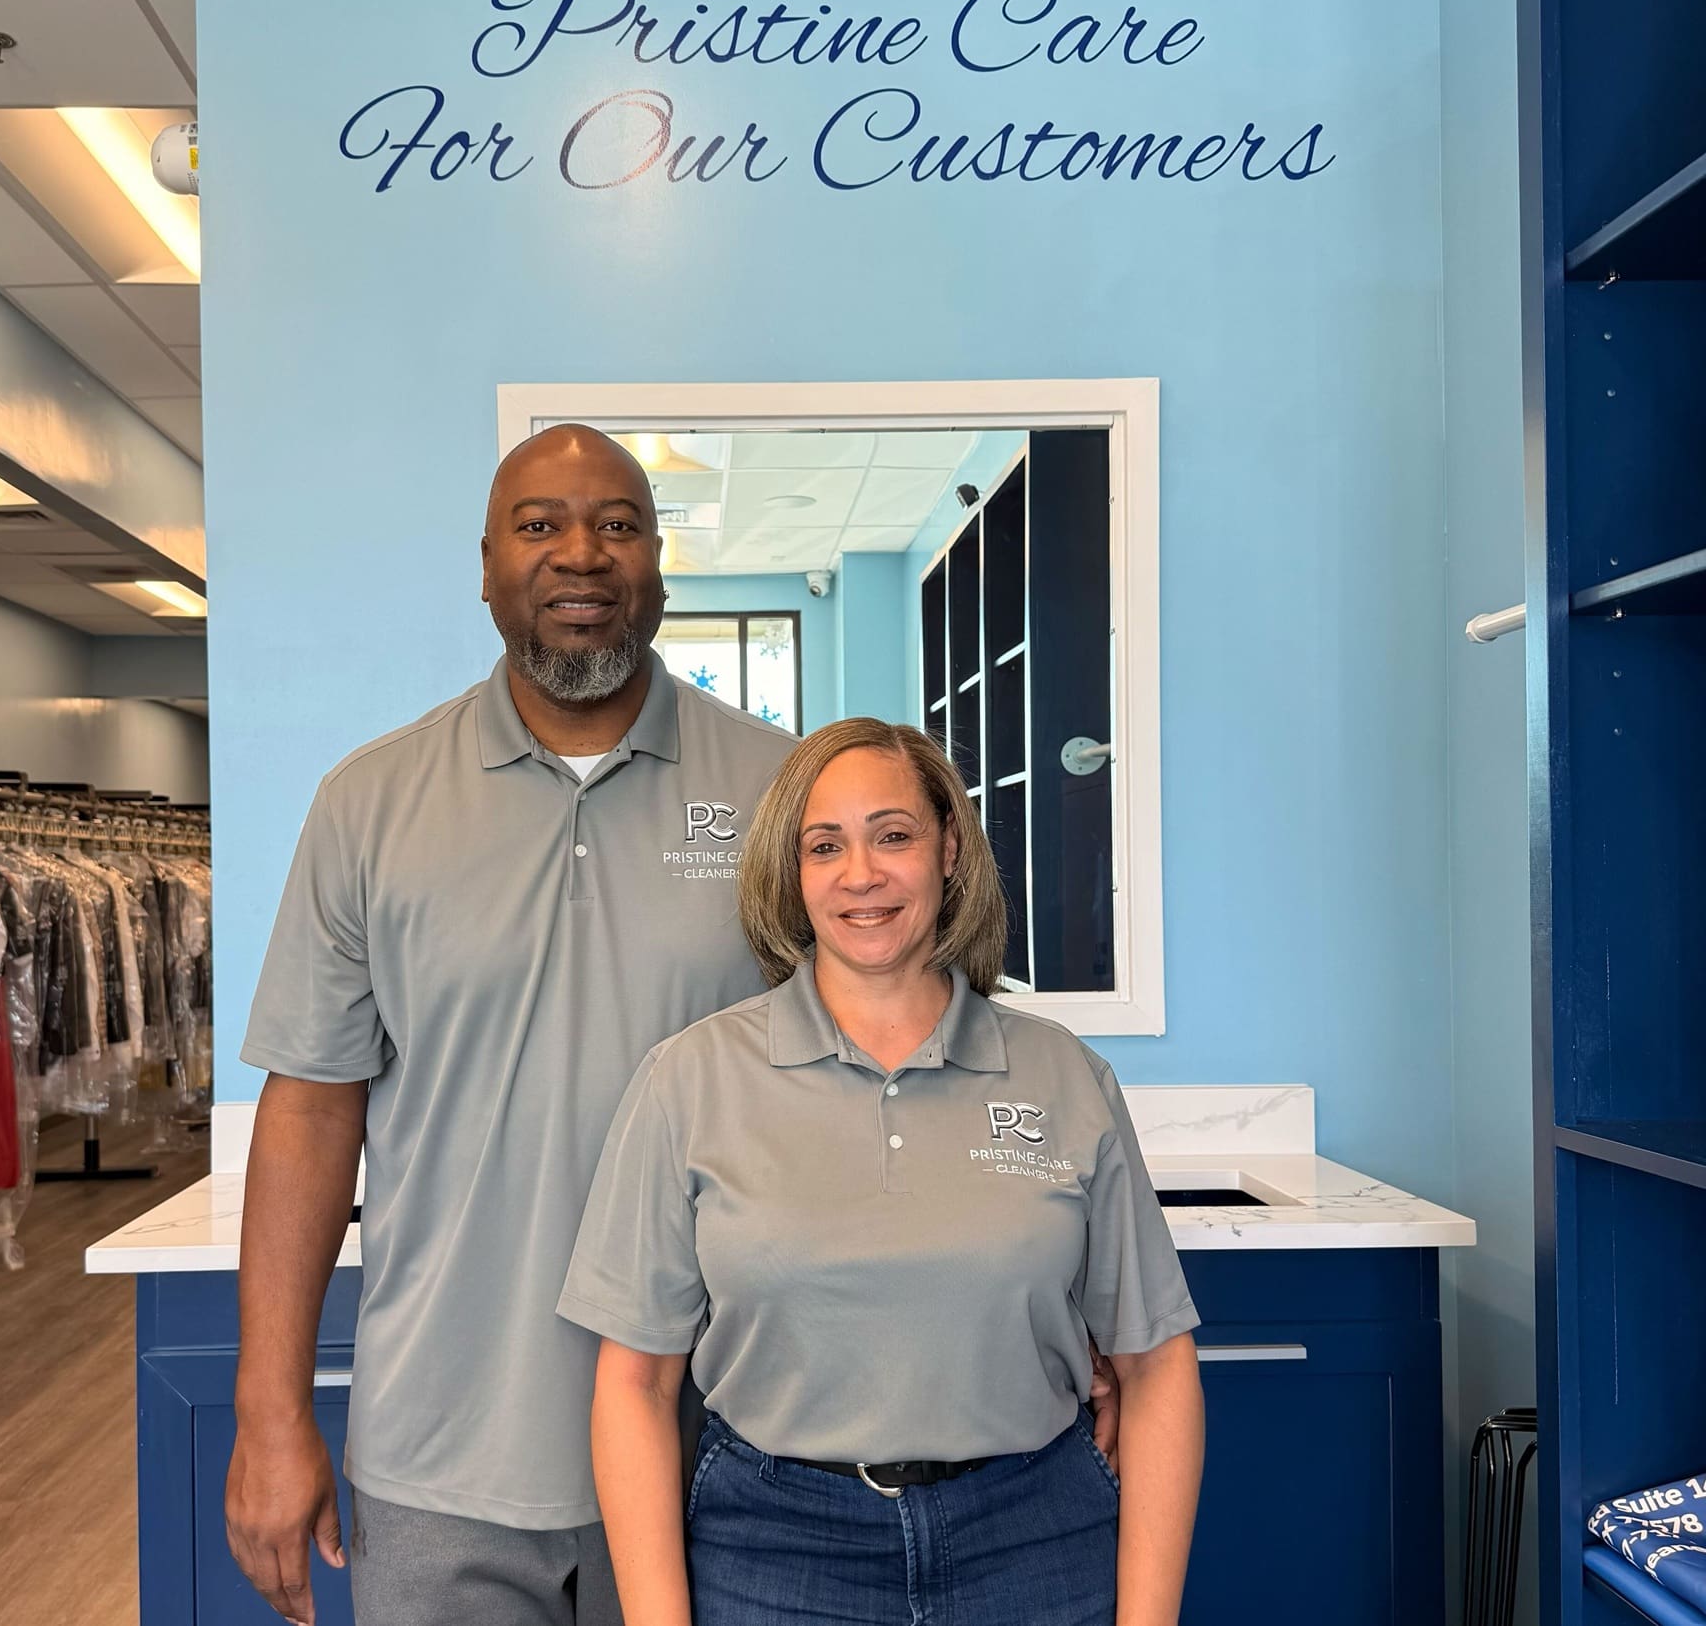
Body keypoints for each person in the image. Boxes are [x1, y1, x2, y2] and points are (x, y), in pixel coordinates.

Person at [223, 426, 799, 1626]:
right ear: (486, 565)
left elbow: (872, 1081)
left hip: (731, 1443)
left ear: (659, 565)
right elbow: (312, 1112)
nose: (581, 554)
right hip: (441, 1456)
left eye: (619, 524)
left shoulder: (780, 796)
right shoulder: (371, 803)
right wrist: (269, 1414)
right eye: (540, 525)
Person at [560, 718, 1205, 1626]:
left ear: (948, 848)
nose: (860, 874)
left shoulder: (1064, 1076)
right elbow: (634, 1383)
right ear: (793, 874)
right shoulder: (690, 1080)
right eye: (825, 846)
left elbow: (1158, 1361)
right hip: (774, 1553)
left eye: (892, 835)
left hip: (1033, 1540)